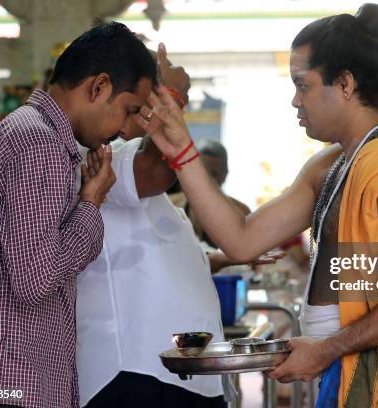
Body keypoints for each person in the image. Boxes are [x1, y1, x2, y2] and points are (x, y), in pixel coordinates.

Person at [135, 4, 378, 407]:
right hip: (350, 368)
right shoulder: (331, 165)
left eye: (303, 85)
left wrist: (327, 348)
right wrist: (182, 153)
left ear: (345, 85)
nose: (295, 100)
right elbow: (241, 241)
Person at [0, 21, 157, 408]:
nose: (123, 131)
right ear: (99, 87)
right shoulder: (38, 144)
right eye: (128, 110)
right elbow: (37, 278)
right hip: (10, 380)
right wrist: (91, 201)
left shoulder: (30, 134)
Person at [77, 43, 277, 408]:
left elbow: (158, 256)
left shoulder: (134, 172)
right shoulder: (102, 158)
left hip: (173, 374)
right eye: (142, 99)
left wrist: (222, 257)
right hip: (135, 372)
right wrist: (172, 93)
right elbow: (156, 170)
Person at [171, 138, 251, 248]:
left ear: (225, 174)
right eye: (202, 172)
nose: (206, 181)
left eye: (213, 174)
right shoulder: (169, 205)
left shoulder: (242, 213)